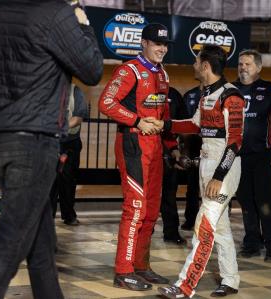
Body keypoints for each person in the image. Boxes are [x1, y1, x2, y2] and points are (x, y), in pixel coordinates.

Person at [0, 1, 103, 298]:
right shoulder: (57, 14)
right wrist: (83, 21)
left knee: (40, 251)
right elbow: (92, 70)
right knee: (9, 245)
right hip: (36, 142)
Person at [153, 44, 245, 299]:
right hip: (207, 166)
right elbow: (194, 125)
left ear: (205, 66)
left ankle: (185, 286)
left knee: (203, 227)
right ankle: (230, 279)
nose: (193, 66)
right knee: (221, 229)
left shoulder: (232, 96)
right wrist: (164, 124)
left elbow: (235, 142)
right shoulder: (207, 95)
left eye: (196, 62)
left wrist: (218, 177)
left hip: (223, 172)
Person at [98, 23, 174, 291]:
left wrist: (171, 145)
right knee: (136, 208)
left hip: (155, 147)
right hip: (132, 143)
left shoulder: (163, 74)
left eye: (165, 44)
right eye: (156, 43)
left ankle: (141, 266)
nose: (162, 48)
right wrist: (137, 121)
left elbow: (164, 116)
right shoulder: (128, 70)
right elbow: (105, 103)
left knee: (152, 210)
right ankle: (123, 270)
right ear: (143, 43)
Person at [233, 49, 271, 261]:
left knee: (264, 201)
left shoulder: (270, 89)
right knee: (246, 201)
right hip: (238, 156)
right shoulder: (231, 89)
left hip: (264, 155)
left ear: (258, 67)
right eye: (240, 64)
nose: (243, 68)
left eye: (247, 64)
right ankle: (252, 242)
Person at [50, 84, 88, 226]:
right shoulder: (44, 87)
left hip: (69, 143)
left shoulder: (75, 91)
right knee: (49, 182)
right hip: (48, 143)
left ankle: (69, 215)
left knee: (67, 181)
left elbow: (78, 118)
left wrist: (58, 128)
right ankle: (47, 217)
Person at [161, 86, 187, 244]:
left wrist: (177, 150)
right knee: (145, 196)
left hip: (168, 152)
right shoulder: (142, 90)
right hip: (144, 152)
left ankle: (171, 232)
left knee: (169, 195)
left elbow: (182, 125)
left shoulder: (174, 94)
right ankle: (142, 233)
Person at [180, 85, 203, 231]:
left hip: (214, 147)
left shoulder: (223, 92)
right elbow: (183, 124)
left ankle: (217, 222)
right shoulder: (189, 95)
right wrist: (184, 149)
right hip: (193, 144)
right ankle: (191, 219)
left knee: (217, 187)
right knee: (193, 185)